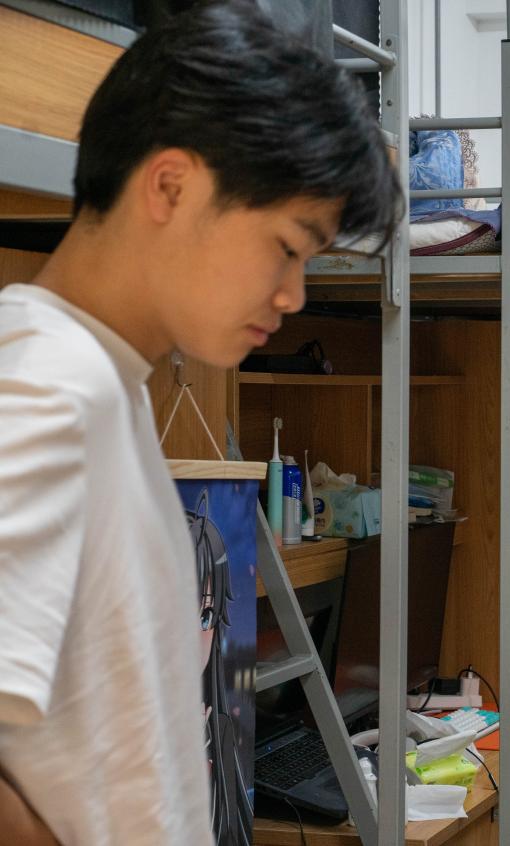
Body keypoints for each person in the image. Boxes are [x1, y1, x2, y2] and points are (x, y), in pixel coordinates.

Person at [0, 3, 399, 844]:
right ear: (171, 185)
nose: (294, 296)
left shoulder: (96, 384)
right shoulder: (47, 386)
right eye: (287, 246)